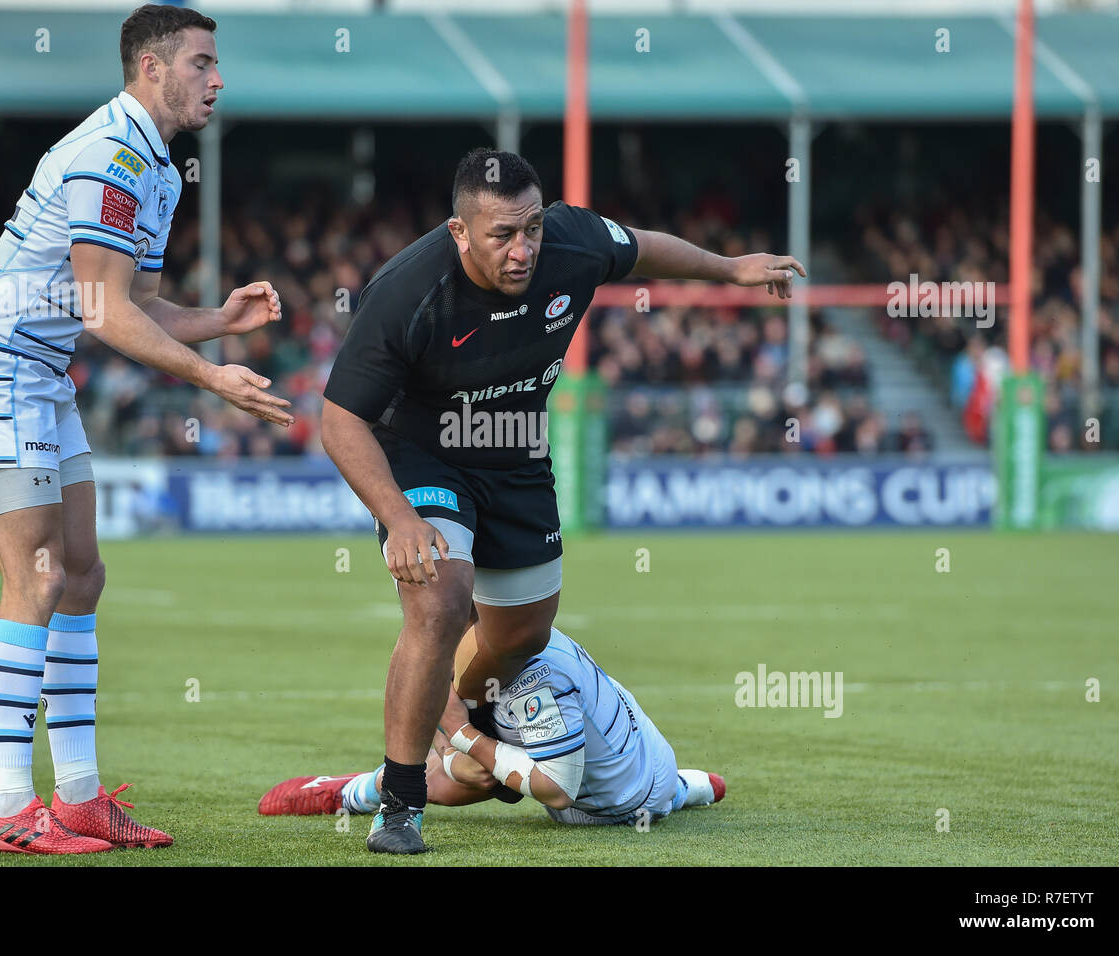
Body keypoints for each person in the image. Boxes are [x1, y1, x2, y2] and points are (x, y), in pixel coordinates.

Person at [320, 148, 802, 853]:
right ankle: (401, 802)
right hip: (425, 454)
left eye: (532, 229)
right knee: (441, 600)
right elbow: (339, 417)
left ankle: (466, 737)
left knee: (522, 636)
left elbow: (641, 249)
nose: (523, 250)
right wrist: (398, 517)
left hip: (516, 452)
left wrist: (729, 269)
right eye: (501, 235)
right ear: (459, 232)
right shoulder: (406, 292)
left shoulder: (571, 241)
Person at [0, 3, 293, 854]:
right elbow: (100, 309)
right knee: (40, 577)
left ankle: (80, 798)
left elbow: (135, 308)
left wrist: (220, 323)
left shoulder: (154, 163)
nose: (218, 78)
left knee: (81, 575)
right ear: (152, 69)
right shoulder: (112, 153)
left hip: (36, 374)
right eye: (202, 62)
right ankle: (8, 810)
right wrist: (209, 377)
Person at [259, 627, 725, 825]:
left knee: (467, 770)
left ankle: (351, 793)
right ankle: (689, 788)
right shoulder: (515, 631)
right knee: (465, 760)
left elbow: (558, 791)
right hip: (654, 760)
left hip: (606, 807)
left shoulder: (531, 677)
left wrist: (462, 736)